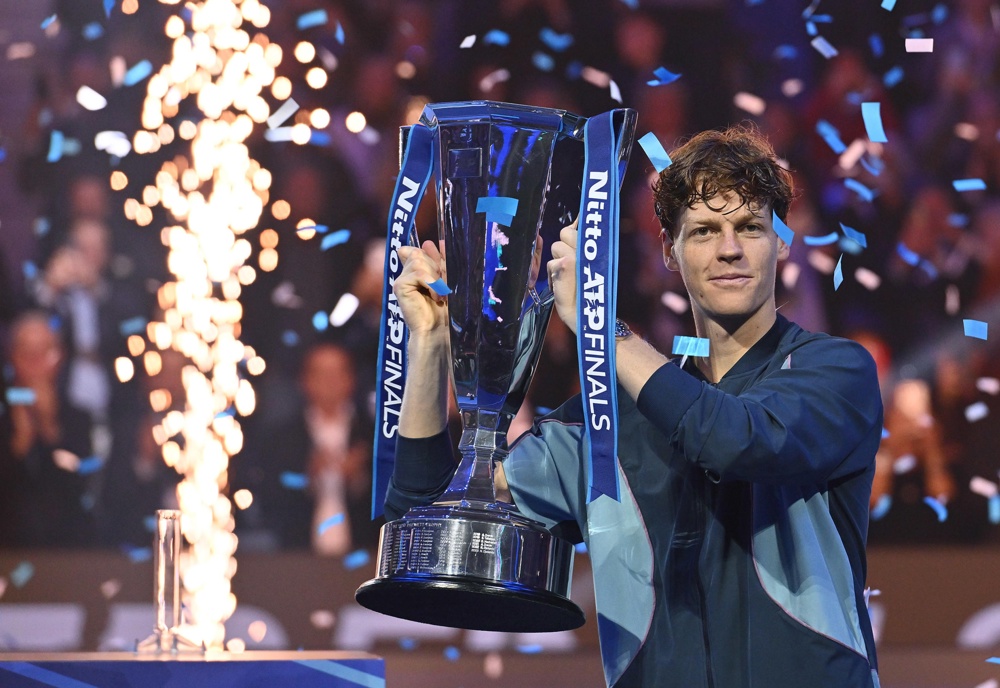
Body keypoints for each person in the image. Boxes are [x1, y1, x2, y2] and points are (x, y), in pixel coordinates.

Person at [385, 124, 884, 687]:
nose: (729, 248)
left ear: (782, 242)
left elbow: (738, 441)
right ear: (669, 251)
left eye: (750, 227)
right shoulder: (607, 420)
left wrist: (601, 326)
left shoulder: (835, 372)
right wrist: (428, 349)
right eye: (703, 231)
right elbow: (426, 522)